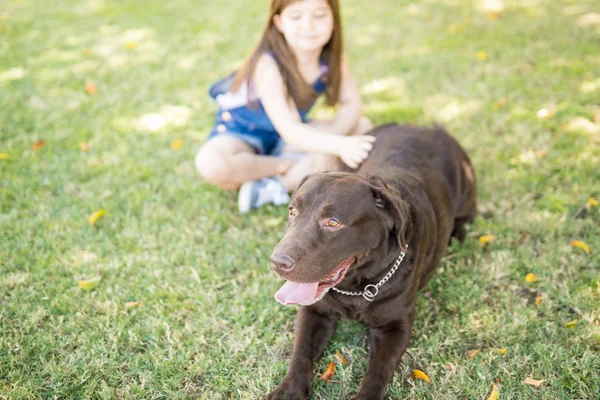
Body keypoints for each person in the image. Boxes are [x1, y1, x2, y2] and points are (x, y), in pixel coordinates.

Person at [195, 0, 375, 213]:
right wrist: (337, 146)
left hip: (289, 138)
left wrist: (334, 138)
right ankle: (287, 167)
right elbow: (289, 128)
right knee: (212, 163)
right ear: (279, 22)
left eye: (319, 15)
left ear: (334, 20)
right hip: (242, 134)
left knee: (362, 126)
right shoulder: (268, 64)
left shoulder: (332, 59)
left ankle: (271, 187)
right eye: (296, 17)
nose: (308, 25)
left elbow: (351, 103)